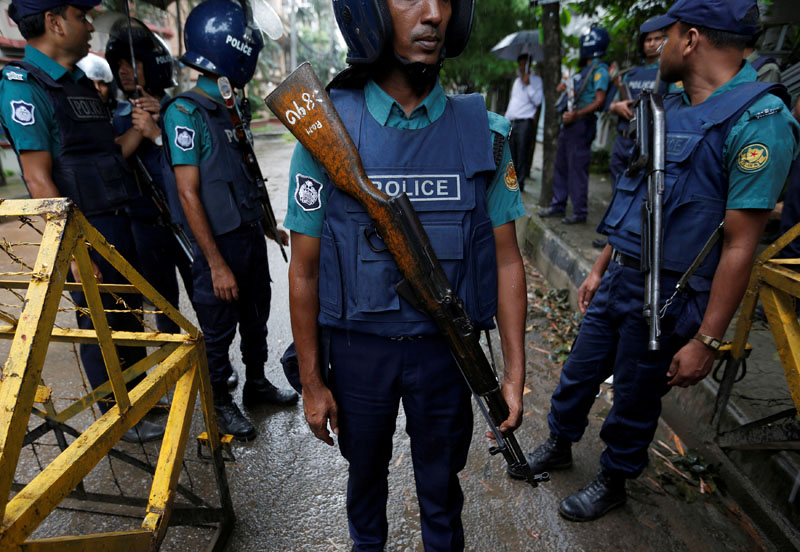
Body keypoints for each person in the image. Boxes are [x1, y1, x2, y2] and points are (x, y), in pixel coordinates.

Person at [515, 0, 800, 522]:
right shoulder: (667, 108)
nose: (658, 46)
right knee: (578, 373)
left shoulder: (760, 119)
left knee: (634, 396)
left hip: (669, 296)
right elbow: (638, 201)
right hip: (621, 274)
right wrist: (600, 267)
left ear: (690, 40)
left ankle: (615, 478)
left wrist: (707, 340)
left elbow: (740, 243)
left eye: (666, 36)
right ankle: (559, 443)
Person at [286, 0, 527, 549]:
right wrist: (312, 383)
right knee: (363, 484)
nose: (434, 14)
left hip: (446, 354)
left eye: (444, 0)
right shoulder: (325, 127)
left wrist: (513, 372)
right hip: (358, 354)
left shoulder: (484, 133)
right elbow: (303, 271)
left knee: (441, 491)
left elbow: (508, 259)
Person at [0, 0, 163, 442]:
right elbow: (37, 178)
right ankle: (117, 414)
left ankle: (140, 397)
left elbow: (107, 155)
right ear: (54, 22)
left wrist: (139, 129)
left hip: (120, 216)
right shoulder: (23, 85)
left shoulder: (78, 83)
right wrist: (73, 248)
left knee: (129, 316)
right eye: (80, 16)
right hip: (83, 228)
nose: (90, 25)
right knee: (100, 324)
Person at [162, 0, 297, 443]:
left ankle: (256, 384)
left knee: (256, 316)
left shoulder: (230, 109)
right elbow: (188, 193)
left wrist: (265, 226)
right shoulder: (185, 112)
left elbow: (242, 177)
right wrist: (215, 263)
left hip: (246, 238)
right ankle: (219, 401)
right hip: (215, 246)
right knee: (218, 329)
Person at [105, 21, 195, 340]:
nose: (125, 71)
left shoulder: (181, 109)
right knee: (162, 305)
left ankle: (215, 368)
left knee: (205, 295)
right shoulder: (115, 117)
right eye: (119, 65)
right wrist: (135, 130)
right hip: (143, 226)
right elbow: (110, 159)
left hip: (184, 220)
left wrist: (158, 130)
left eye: (133, 64)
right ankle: (176, 364)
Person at [593, 17, 667, 249]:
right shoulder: (630, 75)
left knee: (643, 194)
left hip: (646, 143)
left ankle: (636, 242)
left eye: (657, 38)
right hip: (623, 141)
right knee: (618, 192)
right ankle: (613, 240)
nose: (652, 43)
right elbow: (610, 104)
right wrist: (618, 106)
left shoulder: (665, 75)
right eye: (648, 39)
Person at [539, 26, 610, 225]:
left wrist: (577, 114)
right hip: (569, 125)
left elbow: (600, 101)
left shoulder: (600, 70)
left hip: (581, 125)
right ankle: (558, 205)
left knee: (577, 169)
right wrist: (564, 87)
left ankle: (579, 212)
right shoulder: (583, 70)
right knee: (561, 165)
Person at [504, 54, 542, 192]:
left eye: (524, 64)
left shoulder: (536, 81)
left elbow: (538, 101)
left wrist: (529, 85)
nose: (521, 67)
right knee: (511, 154)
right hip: (512, 121)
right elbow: (513, 102)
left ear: (529, 66)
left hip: (525, 122)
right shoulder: (516, 82)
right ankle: (510, 183)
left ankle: (520, 184)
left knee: (522, 154)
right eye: (519, 64)